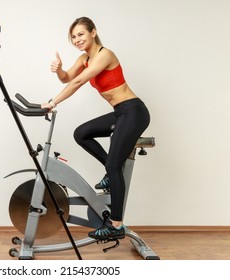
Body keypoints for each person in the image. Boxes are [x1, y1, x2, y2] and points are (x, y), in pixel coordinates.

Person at [41, 17, 150, 240]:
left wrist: (53, 102)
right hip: (120, 112)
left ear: (93, 32)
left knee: (113, 165)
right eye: (73, 37)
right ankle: (111, 172)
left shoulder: (105, 55)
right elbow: (67, 79)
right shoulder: (84, 59)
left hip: (134, 112)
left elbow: (79, 82)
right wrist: (59, 70)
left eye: (80, 34)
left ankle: (116, 225)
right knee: (81, 133)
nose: (76, 39)